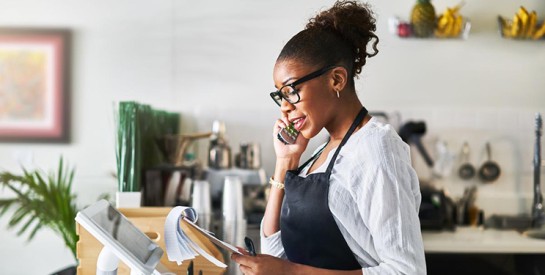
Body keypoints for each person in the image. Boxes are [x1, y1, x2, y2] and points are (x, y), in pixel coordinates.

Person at [231, 1, 426, 274]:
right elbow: (275, 252)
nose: (284, 106)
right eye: (280, 95)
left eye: (291, 91)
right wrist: (286, 160)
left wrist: (292, 273)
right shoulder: (319, 153)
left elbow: (407, 271)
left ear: (336, 79)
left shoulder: (376, 148)